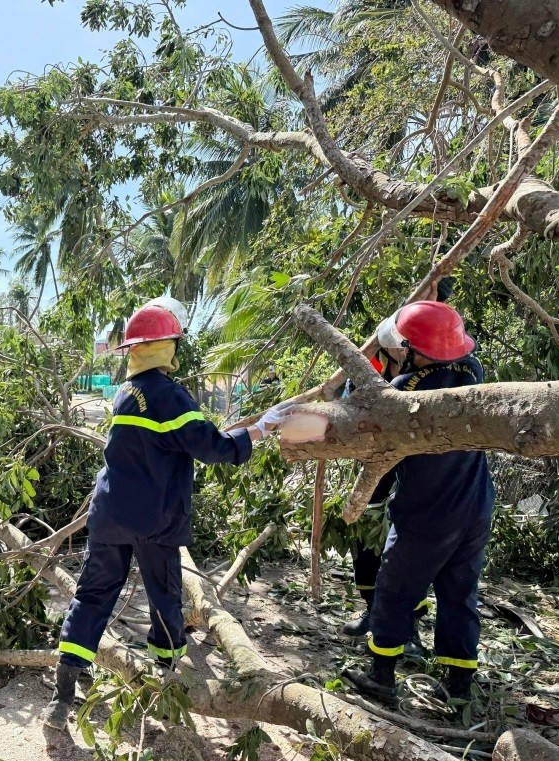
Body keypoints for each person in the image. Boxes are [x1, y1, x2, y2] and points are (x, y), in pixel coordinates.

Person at [41, 299, 290, 729]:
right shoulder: (169, 395)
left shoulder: (126, 393)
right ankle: (166, 680)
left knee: (92, 596)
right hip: (154, 520)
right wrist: (260, 429)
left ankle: (63, 694)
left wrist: (237, 430)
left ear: (134, 350)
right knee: (164, 599)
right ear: (167, 347)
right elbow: (213, 447)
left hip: (110, 514)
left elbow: (174, 440)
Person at [341, 300, 494, 706]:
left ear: (414, 351)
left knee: (394, 590)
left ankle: (381, 675)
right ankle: (459, 687)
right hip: (475, 505)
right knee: (460, 593)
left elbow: (360, 418)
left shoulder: (401, 392)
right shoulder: (473, 373)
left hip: (428, 513)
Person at [340, 277, 455, 647]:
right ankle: (371, 610)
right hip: (377, 465)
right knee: (367, 541)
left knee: (406, 552)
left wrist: (438, 295)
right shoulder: (372, 368)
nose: (408, 356)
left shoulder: (432, 369)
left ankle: (410, 627)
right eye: (403, 351)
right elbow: (349, 407)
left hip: (417, 471)